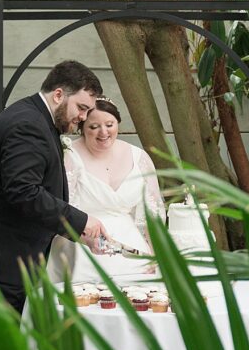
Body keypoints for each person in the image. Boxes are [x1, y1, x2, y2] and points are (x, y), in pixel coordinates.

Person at [0, 60, 109, 311]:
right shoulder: (28, 125)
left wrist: (77, 233)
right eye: (81, 108)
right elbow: (23, 192)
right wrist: (81, 221)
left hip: (6, 255)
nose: (83, 118)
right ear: (59, 94)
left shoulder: (36, 117)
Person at [49, 98, 165, 284]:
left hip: (131, 246)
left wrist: (155, 254)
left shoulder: (139, 157)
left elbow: (153, 213)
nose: (103, 132)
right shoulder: (69, 156)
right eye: (94, 127)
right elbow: (60, 207)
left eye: (109, 124)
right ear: (82, 128)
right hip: (82, 243)